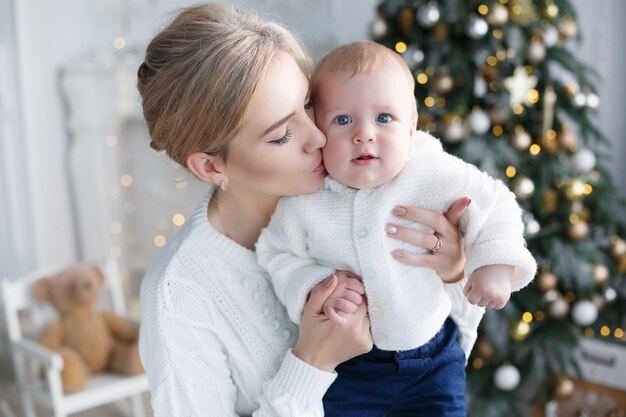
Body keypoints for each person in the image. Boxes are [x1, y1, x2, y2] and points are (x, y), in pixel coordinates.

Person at [136, 5, 472, 417]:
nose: (318, 136)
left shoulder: (371, 183)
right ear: (211, 166)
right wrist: (311, 363)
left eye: (310, 104)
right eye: (281, 135)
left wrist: (454, 272)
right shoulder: (179, 295)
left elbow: (444, 363)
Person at [256, 41, 537, 416]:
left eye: (384, 118)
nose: (364, 134)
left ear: (411, 126)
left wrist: (493, 265)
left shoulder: (431, 172)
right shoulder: (306, 201)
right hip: (350, 367)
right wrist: (314, 284)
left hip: (432, 360)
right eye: (342, 120)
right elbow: (276, 253)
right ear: (318, 130)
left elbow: (496, 203)